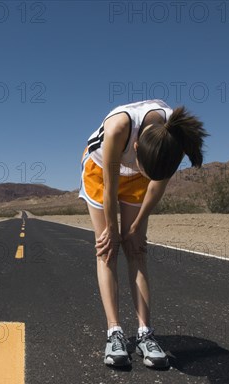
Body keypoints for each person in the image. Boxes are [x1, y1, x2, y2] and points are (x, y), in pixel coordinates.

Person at [78, 99, 208, 368]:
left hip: (138, 175)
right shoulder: (119, 129)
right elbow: (109, 190)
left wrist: (137, 226)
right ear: (136, 147)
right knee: (107, 249)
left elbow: (156, 186)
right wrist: (113, 231)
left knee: (137, 249)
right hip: (101, 171)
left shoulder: (171, 139)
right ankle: (114, 333)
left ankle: (145, 334)